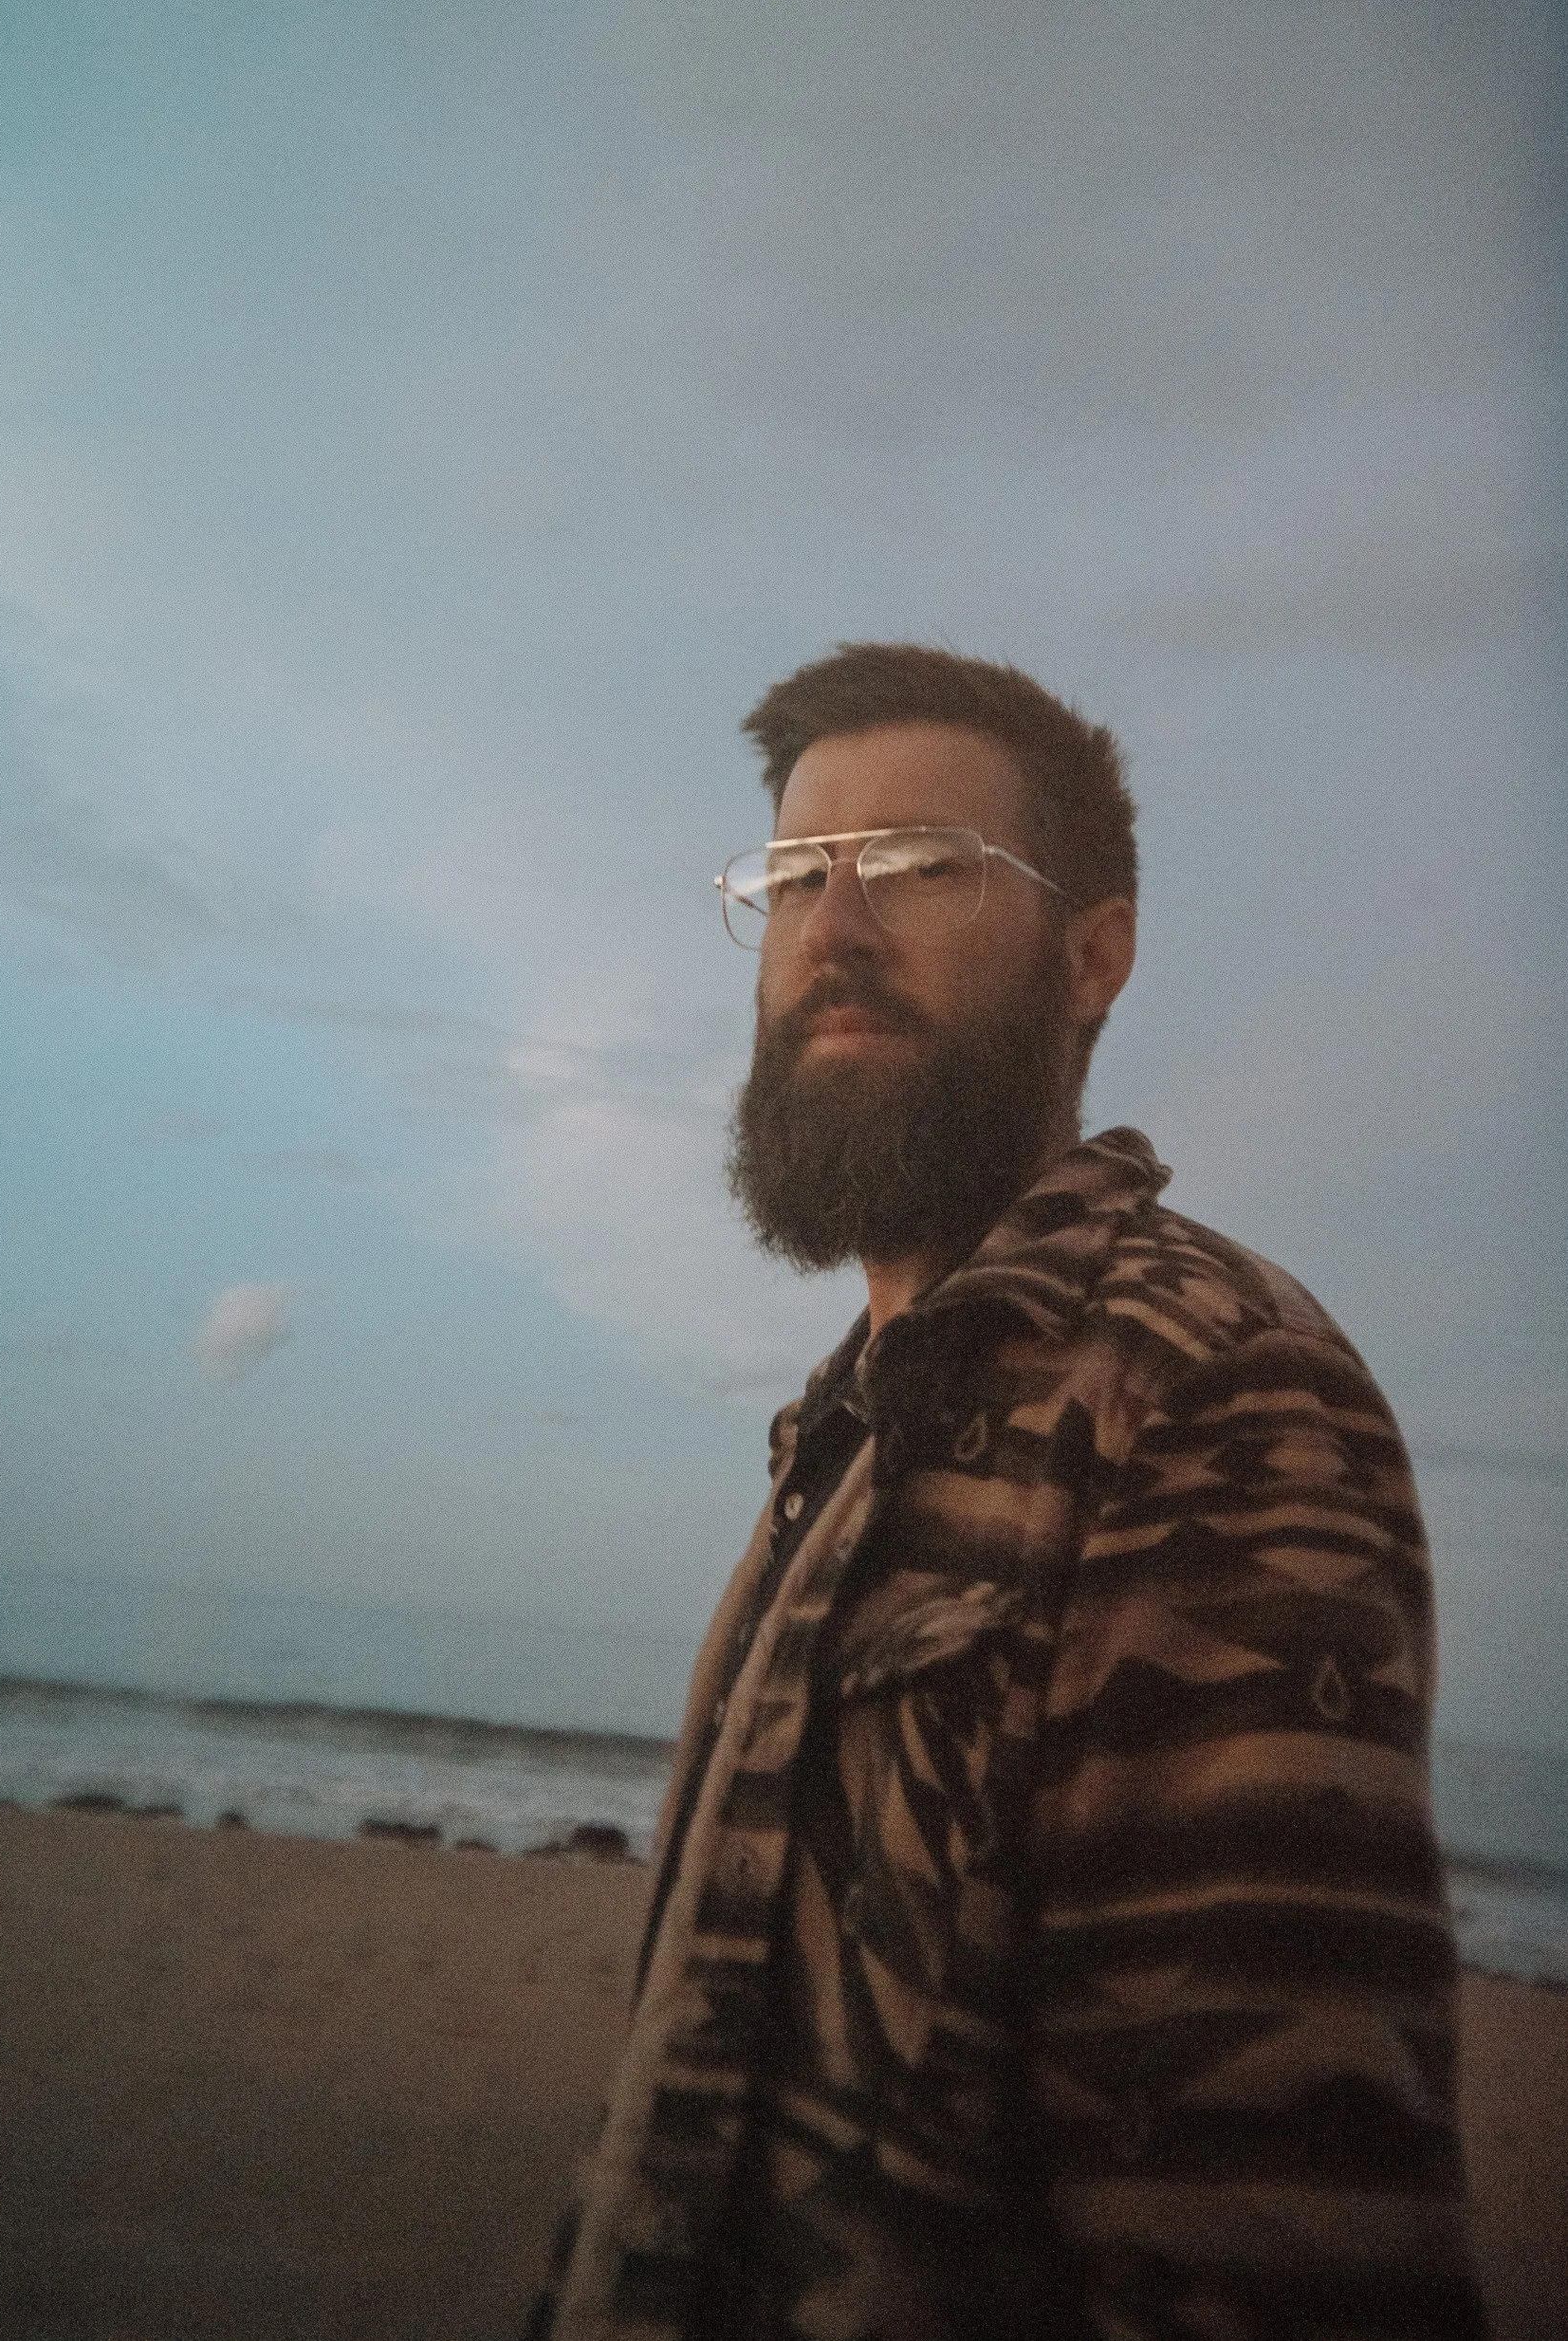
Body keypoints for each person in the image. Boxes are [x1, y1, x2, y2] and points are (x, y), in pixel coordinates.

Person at [534, 645, 1485, 2341]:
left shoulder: (1207, 1390)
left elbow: (1266, 2228)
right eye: (792, 877)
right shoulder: (844, 1421)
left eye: (915, 868)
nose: (832, 929)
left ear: (1094, 953)